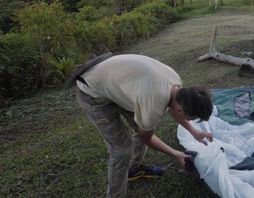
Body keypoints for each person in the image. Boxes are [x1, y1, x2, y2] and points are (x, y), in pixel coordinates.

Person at [74, 54, 214, 197]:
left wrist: (194, 131)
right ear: (180, 109)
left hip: (116, 85)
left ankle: (134, 169)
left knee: (142, 125)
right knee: (122, 150)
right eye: (189, 119)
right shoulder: (154, 102)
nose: (189, 121)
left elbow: (172, 108)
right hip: (91, 89)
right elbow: (146, 137)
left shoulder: (175, 83)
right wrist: (175, 153)